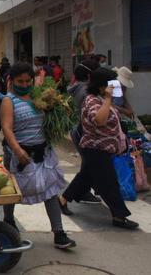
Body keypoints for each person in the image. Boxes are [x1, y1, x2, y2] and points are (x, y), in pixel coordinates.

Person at [0, 62, 76, 249]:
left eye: (28, 81)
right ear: (11, 80)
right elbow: (7, 128)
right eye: (20, 81)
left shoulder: (38, 96)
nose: (25, 85)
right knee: (13, 193)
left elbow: (52, 118)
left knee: (50, 191)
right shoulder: (8, 101)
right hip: (20, 154)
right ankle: (8, 221)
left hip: (43, 153)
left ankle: (59, 234)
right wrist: (18, 151)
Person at [60, 68, 139, 229]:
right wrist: (109, 99)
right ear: (102, 86)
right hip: (95, 148)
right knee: (109, 182)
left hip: (102, 148)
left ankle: (62, 200)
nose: (114, 87)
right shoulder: (92, 101)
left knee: (86, 177)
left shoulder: (101, 98)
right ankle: (119, 215)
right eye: (111, 84)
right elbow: (100, 120)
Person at [66, 59, 102, 205]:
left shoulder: (77, 87)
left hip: (78, 129)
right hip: (83, 130)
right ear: (90, 75)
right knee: (90, 165)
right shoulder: (86, 91)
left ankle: (81, 192)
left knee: (88, 164)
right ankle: (69, 196)